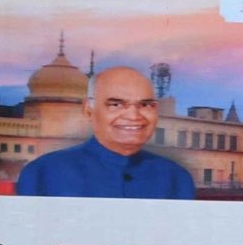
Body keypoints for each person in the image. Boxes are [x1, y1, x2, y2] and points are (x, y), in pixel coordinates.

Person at [16, 66, 195, 199]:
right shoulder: (43, 173)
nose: (134, 116)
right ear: (88, 110)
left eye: (145, 105)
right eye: (116, 104)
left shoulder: (176, 179)